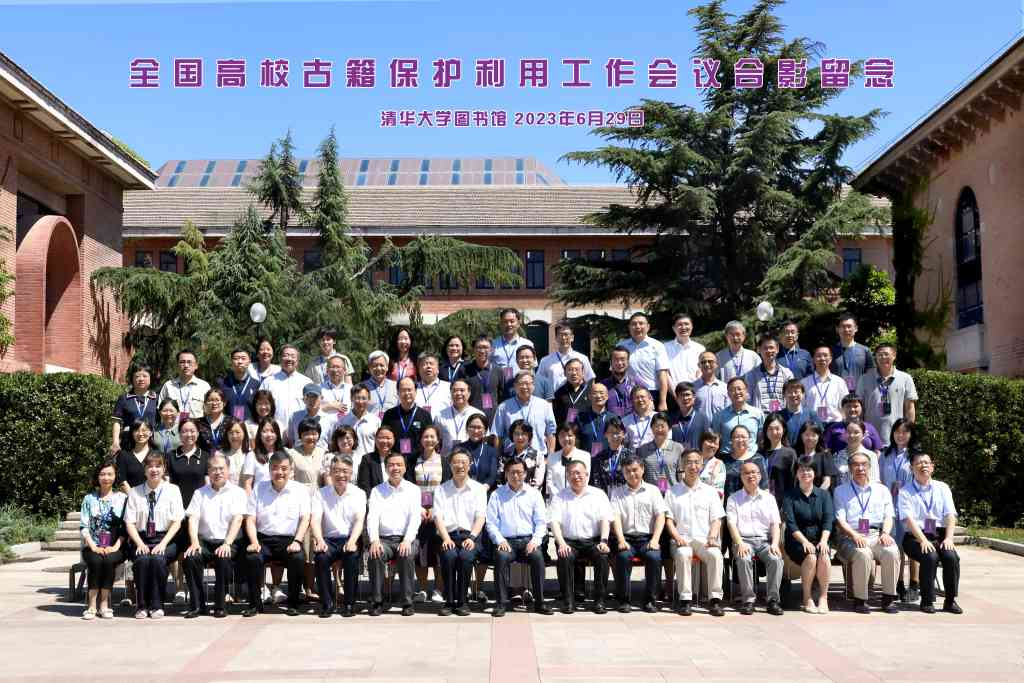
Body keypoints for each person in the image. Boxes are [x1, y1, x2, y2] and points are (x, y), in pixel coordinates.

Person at [242, 451, 311, 617]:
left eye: (284, 468)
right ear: (269, 469)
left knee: (298, 558)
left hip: (289, 540)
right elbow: (250, 519)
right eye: (275, 468)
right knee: (252, 557)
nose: (279, 472)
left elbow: (305, 518)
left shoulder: (300, 490)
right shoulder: (259, 488)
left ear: (291, 470)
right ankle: (254, 604)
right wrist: (254, 541)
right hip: (263, 539)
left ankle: (293, 603)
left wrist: (297, 541)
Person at [833, 451, 900, 614]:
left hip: (876, 534)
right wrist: (854, 535)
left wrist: (886, 533)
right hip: (850, 536)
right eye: (856, 465)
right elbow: (840, 520)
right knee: (863, 553)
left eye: (864, 464)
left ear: (869, 467)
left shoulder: (882, 490)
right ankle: (860, 600)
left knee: (891, 551)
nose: (860, 468)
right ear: (850, 468)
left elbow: (889, 516)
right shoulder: (841, 491)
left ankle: (888, 598)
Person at [485, 456, 553, 617]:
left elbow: (541, 523)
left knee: (537, 557)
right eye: (512, 472)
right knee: (501, 557)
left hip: (528, 540)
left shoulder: (534, 494)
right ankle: (501, 603)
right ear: (506, 474)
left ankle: (540, 602)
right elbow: (491, 523)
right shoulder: (497, 495)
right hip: (506, 542)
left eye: (519, 472)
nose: (516, 476)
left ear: (525, 474)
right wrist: (500, 540)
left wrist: (535, 541)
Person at [182, 454, 247, 618]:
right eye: (213, 469)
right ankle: (198, 605)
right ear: (208, 471)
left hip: (229, 541)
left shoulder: (238, 492)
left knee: (223, 558)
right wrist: (194, 542)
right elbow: (193, 518)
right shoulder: (199, 493)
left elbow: (238, 519)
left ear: (228, 470)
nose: (217, 472)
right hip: (205, 541)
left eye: (221, 468)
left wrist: (227, 543)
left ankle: (220, 605)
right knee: (191, 557)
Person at [664, 449, 726, 616]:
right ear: (682, 465)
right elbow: (669, 520)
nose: (693, 466)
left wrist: (712, 536)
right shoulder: (672, 491)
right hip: (682, 539)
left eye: (697, 462)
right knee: (683, 554)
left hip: (704, 539)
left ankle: (715, 600)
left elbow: (717, 519)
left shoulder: (710, 491)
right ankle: (685, 600)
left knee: (715, 555)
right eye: (689, 462)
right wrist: (677, 537)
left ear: (702, 465)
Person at [899, 452, 962, 614]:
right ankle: (927, 600)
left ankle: (950, 601)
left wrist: (949, 538)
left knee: (951, 557)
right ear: (912, 468)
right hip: (915, 537)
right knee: (930, 556)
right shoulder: (905, 491)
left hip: (939, 534)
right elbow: (908, 520)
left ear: (932, 467)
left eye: (926, 462)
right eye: (919, 463)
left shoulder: (942, 487)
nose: (923, 466)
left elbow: (950, 514)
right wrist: (923, 540)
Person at [123, 453, 184, 619]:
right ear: (144, 470)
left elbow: (177, 522)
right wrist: (139, 543)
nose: (154, 470)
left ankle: (157, 605)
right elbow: (130, 523)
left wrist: (163, 544)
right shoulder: (135, 492)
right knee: (142, 560)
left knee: (158, 559)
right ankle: (142, 605)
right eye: (150, 466)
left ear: (164, 469)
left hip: (166, 539)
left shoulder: (173, 490)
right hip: (141, 538)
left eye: (158, 466)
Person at [549, 460, 613, 614]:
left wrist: (604, 541)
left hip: (593, 541)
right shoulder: (560, 496)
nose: (575, 476)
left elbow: (605, 519)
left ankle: (599, 601)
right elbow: (554, 522)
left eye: (578, 473)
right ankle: (568, 601)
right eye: (571, 473)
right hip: (569, 542)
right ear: (567, 476)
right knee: (564, 556)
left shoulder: (598, 494)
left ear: (587, 475)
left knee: (602, 555)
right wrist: (561, 543)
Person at [433, 447, 488, 616]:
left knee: (465, 557)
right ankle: (449, 601)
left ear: (470, 464)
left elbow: (480, 517)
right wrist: (445, 538)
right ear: (450, 465)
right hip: (448, 536)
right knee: (449, 556)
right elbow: (437, 517)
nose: (460, 465)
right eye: (456, 462)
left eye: (463, 462)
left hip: (470, 536)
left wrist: (472, 537)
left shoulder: (479, 489)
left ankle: (463, 601)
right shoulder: (441, 489)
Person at [725, 461, 784, 616]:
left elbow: (775, 524)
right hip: (743, 540)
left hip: (765, 541)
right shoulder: (733, 498)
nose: (751, 475)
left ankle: (772, 600)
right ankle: (748, 600)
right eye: (746, 473)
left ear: (759, 475)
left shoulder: (769, 498)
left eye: (754, 472)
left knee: (776, 559)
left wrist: (775, 544)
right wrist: (739, 543)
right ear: (741, 476)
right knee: (744, 558)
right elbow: (731, 524)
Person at [367, 451, 422, 617]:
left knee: (406, 554)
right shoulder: (377, 491)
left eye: (399, 464)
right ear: (385, 468)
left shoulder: (413, 490)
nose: (395, 468)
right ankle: (377, 601)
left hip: (406, 538)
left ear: (405, 468)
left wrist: (407, 540)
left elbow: (415, 518)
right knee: (375, 554)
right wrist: (374, 540)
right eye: (391, 465)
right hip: (383, 539)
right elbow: (372, 517)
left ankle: (407, 602)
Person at [311, 454, 366, 618]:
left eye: (345, 471)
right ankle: (327, 604)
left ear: (351, 473)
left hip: (350, 537)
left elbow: (359, 520)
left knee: (351, 556)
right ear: (330, 472)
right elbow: (315, 520)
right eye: (336, 471)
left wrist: (353, 541)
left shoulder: (359, 493)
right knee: (320, 557)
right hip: (328, 539)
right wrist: (319, 540)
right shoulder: (320, 493)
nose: (341, 475)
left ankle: (349, 604)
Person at [610, 456, 666, 613]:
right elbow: (615, 518)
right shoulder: (617, 492)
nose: (631, 474)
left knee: (654, 557)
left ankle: (650, 600)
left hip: (647, 538)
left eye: (635, 470)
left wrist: (655, 539)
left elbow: (660, 516)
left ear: (642, 469)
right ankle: (624, 600)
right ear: (623, 473)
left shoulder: (653, 491)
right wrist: (621, 540)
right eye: (627, 471)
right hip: (626, 538)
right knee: (622, 557)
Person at [782, 455, 834, 614]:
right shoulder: (789, 495)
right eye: (801, 470)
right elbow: (790, 523)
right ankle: (807, 598)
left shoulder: (824, 495)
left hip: (819, 539)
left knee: (824, 555)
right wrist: (804, 541)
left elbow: (828, 520)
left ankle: (823, 598)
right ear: (797, 474)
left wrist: (824, 541)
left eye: (809, 469)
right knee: (811, 556)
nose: (805, 473)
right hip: (797, 541)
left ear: (815, 473)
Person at [166, 417, 209, 605]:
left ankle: (194, 588)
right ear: (179, 434)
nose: (188, 434)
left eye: (192, 431)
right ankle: (179, 588)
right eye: (184, 431)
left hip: (198, 513)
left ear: (198, 434)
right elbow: (167, 484)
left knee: (194, 551)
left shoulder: (205, 456)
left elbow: (208, 485)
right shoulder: (171, 456)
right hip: (177, 511)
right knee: (179, 551)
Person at [79, 459, 128, 620]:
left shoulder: (122, 498)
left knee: (108, 560)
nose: (106, 478)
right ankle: (92, 605)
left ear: (115, 476)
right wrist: (93, 546)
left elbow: (125, 527)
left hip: (116, 546)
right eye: (102, 474)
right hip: (92, 545)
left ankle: (104, 604)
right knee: (96, 560)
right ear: (97, 477)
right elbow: (84, 526)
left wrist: (115, 547)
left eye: (109, 474)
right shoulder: (89, 499)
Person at [287, 417, 328, 597]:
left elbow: (326, 479)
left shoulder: (324, 453)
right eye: (306, 433)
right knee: (303, 546)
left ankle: (312, 586)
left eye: (314, 433)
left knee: (315, 546)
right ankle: (302, 587)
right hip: (299, 502)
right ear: (300, 435)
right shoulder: (291, 453)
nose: (311, 437)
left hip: (318, 501)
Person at [412, 425, 449, 603]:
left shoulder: (445, 461)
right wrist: (419, 507)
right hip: (418, 512)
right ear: (420, 439)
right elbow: (408, 486)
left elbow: (448, 488)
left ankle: (439, 589)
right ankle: (422, 589)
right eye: (425, 437)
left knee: (438, 552)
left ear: (438, 439)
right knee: (421, 552)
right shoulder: (413, 460)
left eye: (432, 437)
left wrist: (435, 508)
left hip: (438, 512)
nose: (429, 440)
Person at [857, 344, 918, 447]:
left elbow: (909, 408)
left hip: (897, 436)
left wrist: (909, 431)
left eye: (886, 354)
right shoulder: (864, 379)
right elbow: (860, 407)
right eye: (880, 355)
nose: (883, 357)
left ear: (894, 356)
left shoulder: (905, 378)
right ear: (875, 357)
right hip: (870, 437)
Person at [490, 371, 557, 461]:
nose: (525, 387)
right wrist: (497, 458)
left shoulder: (544, 405)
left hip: (538, 458)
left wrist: (550, 458)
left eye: (528, 383)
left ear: (533, 385)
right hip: (511, 458)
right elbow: (497, 435)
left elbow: (551, 433)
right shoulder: (503, 407)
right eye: (521, 383)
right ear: (515, 386)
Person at [617, 312, 671, 412]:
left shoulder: (657, 346)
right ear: (629, 327)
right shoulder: (621, 346)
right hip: (629, 393)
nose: (637, 326)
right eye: (634, 324)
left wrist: (663, 401)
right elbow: (616, 371)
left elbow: (662, 374)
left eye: (641, 323)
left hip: (652, 393)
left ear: (648, 327)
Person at [260, 344, 313, 429]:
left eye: (293, 356)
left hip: (300, 430)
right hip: (274, 430)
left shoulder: (307, 382)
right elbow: (260, 406)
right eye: (286, 355)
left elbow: (313, 407)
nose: (289, 359)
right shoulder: (268, 382)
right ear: (280, 359)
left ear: (298, 360)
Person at [382, 377, 433, 461]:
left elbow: (430, 439)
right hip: (395, 462)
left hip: (419, 462)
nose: (406, 393)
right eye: (403, 390)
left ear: (415, 391)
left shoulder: (425, 415)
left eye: (409, 390)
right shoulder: (389, 414)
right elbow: (384, 438)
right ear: (397, 393)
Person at [110, 365, 158, 453]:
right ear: (132, 379)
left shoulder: (156, 399)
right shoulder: (124, 398)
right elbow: (116, 422)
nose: (141, 379)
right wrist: (115, 442)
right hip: (128, 443)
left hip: (150, 443)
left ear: (150, 378)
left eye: (145, 376)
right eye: (137, 376)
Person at [538, 321, 596, 392]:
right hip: (554, 398)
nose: (563, 338)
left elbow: (590, 380)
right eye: (560, 335)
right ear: (556, 338)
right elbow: (539, 384)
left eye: (566, 334)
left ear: (572, 337)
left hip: (576, 398)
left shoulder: (582, 358)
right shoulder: (545, 361)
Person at [711, 377, 765, 454]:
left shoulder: (757, 414)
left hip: (751, 456)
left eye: (739, 389)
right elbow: (715, 440)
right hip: (727, 457)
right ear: (728, 394)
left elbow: (761, 439)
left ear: (746, 391)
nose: (736, 392)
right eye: (732, 390)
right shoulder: (719, 416)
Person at [744, 333, 794, 412]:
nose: (768, 351)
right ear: (759, 350)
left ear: (777, 349)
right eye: (765, 348)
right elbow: (747, 400)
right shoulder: (751, 375)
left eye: (771, 347)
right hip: (760, 416)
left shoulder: (787, 374)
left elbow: (791, 397)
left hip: (781, 416)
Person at [158, 350, 211, 421]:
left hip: (196, 426)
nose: (186, 365)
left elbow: (209, 412)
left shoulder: (204, 386)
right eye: (182, 362)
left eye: (189, 362)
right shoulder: (168, 386)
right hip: (173, 426)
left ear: (196, 366)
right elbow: (160, 410)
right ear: (177, 366)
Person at [435, 379, 484, 455]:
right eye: (455, 390)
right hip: (447, 458)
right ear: (450, 393)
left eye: (462, 390)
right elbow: (437, 440)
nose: (458, 393)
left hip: (472, 457)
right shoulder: (440, 415)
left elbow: (485, 438)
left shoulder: (478, 414)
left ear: (469, 393)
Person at [801, 346, 848, 425]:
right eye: (818, 356)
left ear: (830, 359)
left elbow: (845, 406)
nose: (822, 358)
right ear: (813, 359)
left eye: (825, 355)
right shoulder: (804, 382)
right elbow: (801, 406)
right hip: (812, 426)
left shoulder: (839, 382)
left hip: (835, 424)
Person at [638, 413, 683, 493]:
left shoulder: (678, 448)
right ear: (651, 428)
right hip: (650, 494)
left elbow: (681, 474)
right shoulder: (642, 450)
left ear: (669, 428)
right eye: (656, 426)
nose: (659, 429)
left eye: (662, 426)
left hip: (672, 493)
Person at [464, 335, 504, 423]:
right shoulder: (465, 370)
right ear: (473, 350)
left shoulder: (498, 370)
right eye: (479, 347)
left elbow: (501, 396)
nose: (482, 351)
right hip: (471, 418)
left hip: (494, 418)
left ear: (492, 350)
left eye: (486, 347)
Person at [831, 313, 874, 393]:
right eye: (843, 327)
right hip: (836, 393)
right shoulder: (830, 351)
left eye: (849, 326)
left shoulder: (865, 351)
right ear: (837, 329)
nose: (846, 330)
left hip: (859, 394)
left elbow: (871, 374)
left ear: (856, 328)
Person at [760, 413, 796, 507]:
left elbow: (793, 482)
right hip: (760, 502)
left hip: (781, 504)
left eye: (777, 428)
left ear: (783, 430)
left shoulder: (790, 454)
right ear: (765, 431)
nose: (774, 432)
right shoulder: (759, 454)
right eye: (770, 429)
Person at [547, 422, 592, 499]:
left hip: (578, 499)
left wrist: (572, 497)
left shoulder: (585, 456)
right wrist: (560, 497)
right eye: (562, 435)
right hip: (557, 500)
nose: (566, 438)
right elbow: (549, 482)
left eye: (570, 435)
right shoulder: (552, 457)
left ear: (575, 437)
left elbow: (585, 480)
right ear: (558, 438)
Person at [833, 417, 880, 488]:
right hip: (842, 494)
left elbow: (875, 481)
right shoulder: (837, 456)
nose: (851, 435)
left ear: (864, 435)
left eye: (856, 432)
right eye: (849, 432)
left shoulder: (871, 456)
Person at [357, 426, 404, 496]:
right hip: (376, 499)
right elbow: (364, 486)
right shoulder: (367, 459)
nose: (384, 441)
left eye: (388, 438)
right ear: (375, 440)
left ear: (394, 440)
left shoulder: (400, 458)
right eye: (381, 438)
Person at [457, 413, 499, 491]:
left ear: (485, 431)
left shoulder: (491, 451)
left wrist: (482, 489)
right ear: (467, 429)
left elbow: (492, 476)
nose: (475, 431)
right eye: (472, 427)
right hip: (461, 491)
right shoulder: (458, 449)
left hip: (484, 491)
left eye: (479, 427)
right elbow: (455, 472)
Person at [287, 383, 336, 450]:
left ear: (321, 398)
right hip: (299, 454)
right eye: (308, 397)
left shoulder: (330, 420)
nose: (311, 400)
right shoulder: (294, 417)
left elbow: (331, 444)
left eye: (315, 396)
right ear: (303, 399)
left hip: (321, 455)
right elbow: (291, 440)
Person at [337, 384, 381, 458]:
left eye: (364, 398)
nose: (360, 402)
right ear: (351, 398)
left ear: (369, 399)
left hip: (369, 462)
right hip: (348, 462)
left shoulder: (376, 421)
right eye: (357, 398)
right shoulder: (343, 421)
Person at [590, 416, 631, 493]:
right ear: (605, 434)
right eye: (611, 432)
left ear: (623, 434)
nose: (614, 436)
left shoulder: (630, 456)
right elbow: (596, 481)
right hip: (604, 497)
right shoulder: (599, 457)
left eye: (617, 433)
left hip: (625, 497)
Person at [491, 308, 535, 379]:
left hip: (521, 383)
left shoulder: (527, 344)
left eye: (512, 321)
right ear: (501, 324)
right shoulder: (493, 344)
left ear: (518, 323)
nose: (509, 324)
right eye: (505, 322)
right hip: (499, 384)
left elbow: (532, 368)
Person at [241, 417, 281, 495]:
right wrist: (251, 501)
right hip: (260, 499)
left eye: (272, 431)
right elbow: (247, 484)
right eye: (264, 431)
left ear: (277, 434)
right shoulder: (252, 455)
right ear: (259, 434)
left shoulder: (284, 453)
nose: (269, 435)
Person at [665, 313, 705, 389]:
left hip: (695, 391)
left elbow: (701, 371)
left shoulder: (700, 349)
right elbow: (665, 374)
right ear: (673, 328)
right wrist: (674, 393)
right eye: (679, 325)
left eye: (686, 324)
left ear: (692, 326)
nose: (683, 327)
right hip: (672, 392)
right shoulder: (665, 348)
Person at [116, 418, 157, 493]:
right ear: (132, 433)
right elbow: (122, 481)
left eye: (144, 430)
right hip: (130, 497)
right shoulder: (123, 455)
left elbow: (162, 478)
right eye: (136, 430)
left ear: (151, 432)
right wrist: (134, 497)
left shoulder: (157, 455)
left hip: (154, 497)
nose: (140, 434)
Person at [219, 348, 258, 423]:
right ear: (231, 361)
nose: (240, 361)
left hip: (250, 427)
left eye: (243, 358)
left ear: (249, 361)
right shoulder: (222, 384)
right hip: (228, 427)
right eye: (236, 358)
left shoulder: (256, 384)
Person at [793, 422, 836, 491]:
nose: (810, 438)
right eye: (807, 435)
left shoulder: (825, 455)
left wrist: (816, 495)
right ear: (801, 436)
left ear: (819, 437)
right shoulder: (794, 454)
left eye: (813, 435)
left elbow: (827, 482)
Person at [573, 381, 611, 457]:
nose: (598, 396)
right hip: (585, 460)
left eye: (601, 393)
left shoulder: (613, 418)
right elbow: (575, 441)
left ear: (607, 396)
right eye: (595, 393)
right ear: (589, 396)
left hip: (608, 461)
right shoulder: (580, 418)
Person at [780, 379, 822, 444]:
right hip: (784, 450)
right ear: (784, 395)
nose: (793, 395)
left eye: (796, 392)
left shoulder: (812, 415)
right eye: (789, 392)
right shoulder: (778, 416)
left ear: (803, 394)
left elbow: (820, 437)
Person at [552, 358, 591, 426]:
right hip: (567, 431)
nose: (574, 373)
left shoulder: (591, 391)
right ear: (565, 373)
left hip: (586, 429)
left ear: (583, 372)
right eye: (570, 370)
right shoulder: (559, 393)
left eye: (577, 369)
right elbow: (555, 417)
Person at [693, 351, 729, 425]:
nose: (707, 364)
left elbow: (728, 411)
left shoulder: (725, 388)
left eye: (710, 361)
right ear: (699, 365)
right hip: (700, 429)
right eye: (703, 362)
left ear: (717, 365)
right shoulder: (692, 387)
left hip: (720, 428)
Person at [601, 345, 637, 418]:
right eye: (616, 359)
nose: (619, 363)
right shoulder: (603, 385)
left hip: (633, 423)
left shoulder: (637, 384)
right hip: (611, 423)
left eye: (623, 359)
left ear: (628, 362)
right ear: (611, 362)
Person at [669, 382, 706, 450]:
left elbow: (707, 440)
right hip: (676, 455)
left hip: (697, 455)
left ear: (694, 397)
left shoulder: (702, 418)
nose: (685, 398)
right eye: (682, 395)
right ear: (676, 398)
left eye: (688, 395)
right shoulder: (671, 418)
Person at [363, 350, 399, 418]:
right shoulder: (362, 387)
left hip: (392, 423)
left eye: (382, 365)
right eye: (375, 366)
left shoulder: (396, 386)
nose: (379, 368)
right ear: (369, 368)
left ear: (387, 367)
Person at [414, 352, 452, 416]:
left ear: (438, 369)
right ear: (419, 369)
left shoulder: (449, 387)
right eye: (424, 364)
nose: (428, 366)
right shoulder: (413, 388)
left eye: (431, 364)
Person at [196, 387, 231, 454]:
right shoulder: (198, 423)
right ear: (205, 403)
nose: (214, 403)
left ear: (224, 403)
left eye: (217, 400)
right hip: (204, 459)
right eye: (210, 400)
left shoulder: (232, 422)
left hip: (227, 458)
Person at [319, 355, 353, 419]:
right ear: (327, 370)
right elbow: (311, 410)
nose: (335, 370)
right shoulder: (319, 388)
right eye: (332, 367)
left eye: (338, 367)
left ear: (344, 370)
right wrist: (329, 406)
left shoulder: (351, 389)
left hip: (347, 424)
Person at [221, 419, 250, 486]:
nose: (234, 436)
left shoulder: (250, 454)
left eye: (237, 432)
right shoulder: (220, 455)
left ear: (244, 433)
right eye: (231, 432)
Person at [697, 431, 726, 497]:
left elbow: (719, 491)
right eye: (709, 441)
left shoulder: (719, 464)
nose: (712, 445)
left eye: (715, 443)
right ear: (702, 442)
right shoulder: (691, 459)